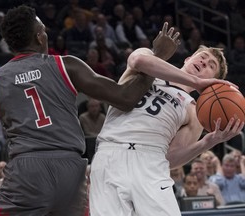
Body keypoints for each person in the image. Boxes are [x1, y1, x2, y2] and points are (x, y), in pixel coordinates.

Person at [0, 6, 199, 215]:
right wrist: (158, 58)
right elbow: (126, 98)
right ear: (41, 38)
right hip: (72, 172)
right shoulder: (67, 65)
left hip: (27, 171)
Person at [89, 37, 244, 216]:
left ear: (213, 82)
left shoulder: (194, 111)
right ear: (187, 59)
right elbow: (138, 60)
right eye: (202, 56)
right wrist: (196, 82)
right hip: (111, 153)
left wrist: (207, 142)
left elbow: (170, 159)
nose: (204, 62)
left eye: (211, 65)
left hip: (152, 162)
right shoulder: (148, 63)